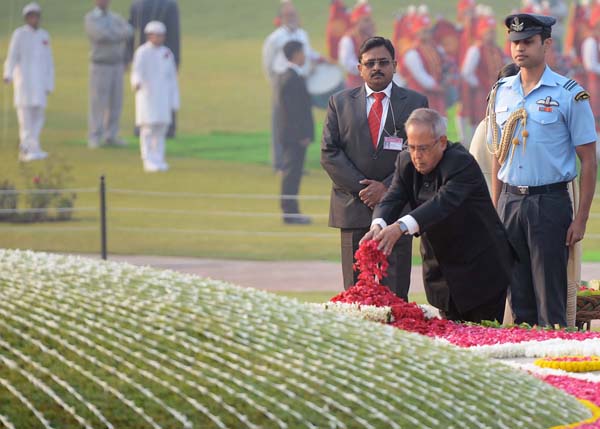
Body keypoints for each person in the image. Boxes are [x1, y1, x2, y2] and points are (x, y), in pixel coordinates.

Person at [488, 13, 597, 327]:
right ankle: (524, 365)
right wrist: (497, 207)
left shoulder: (569, 94)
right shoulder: (501, 92)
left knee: (550, 299)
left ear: (546, 44)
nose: (519, 48)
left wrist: (581, 218)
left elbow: (588, 160)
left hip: (548, 203)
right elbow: (499, 152)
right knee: (518, 296)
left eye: (528, 42)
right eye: (515, 42)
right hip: (510, 201)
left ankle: (553, 367)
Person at [361, 108, 515, 323]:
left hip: (481, 270)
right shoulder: (405, 162)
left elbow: (441, 204)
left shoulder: (461, 163)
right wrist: (378, 224)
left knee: (481, 338)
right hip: (441, 272)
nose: (416, 156)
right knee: (449, 339)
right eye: (411, 147)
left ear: (442, 142)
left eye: (423, 148)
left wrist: (399, 228)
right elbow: (393, 198)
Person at [321, 36, 428, 300]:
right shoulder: (340, 102)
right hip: (352, 208)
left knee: (395, 297)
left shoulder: (415, 103)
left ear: (395, 65)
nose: (376, 68)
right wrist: (365, 190)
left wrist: (387, 190)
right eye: (370, 63)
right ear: (359, 68)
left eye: (383, 62)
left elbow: (418, 153)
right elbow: (329, 152)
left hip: (396, 212)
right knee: (356, 297)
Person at [262, 1, 323, 173]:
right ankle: (279, 162)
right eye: (288, 15)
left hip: (300, 80)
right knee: (281, 121)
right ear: (280, 18)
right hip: (283, 82)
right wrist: (275, 83)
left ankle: (297, 164)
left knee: (301, 119)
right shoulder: (275, 38)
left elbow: (308, 53)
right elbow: (267, 63)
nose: (291, 18)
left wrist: (320, 59)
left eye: (293, 14)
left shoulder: (303, 34)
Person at [3, 2, 54, 162]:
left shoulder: (44, 36)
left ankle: (35, 147)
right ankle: (25, 150)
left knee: (38, 116)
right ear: (26, 18)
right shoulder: (19, 34)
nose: (34, 19)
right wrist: (8, 74)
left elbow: (49, 62)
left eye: (36, 16)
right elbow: (12, 56)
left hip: (40, 83)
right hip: (24, 83)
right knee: (25, 119)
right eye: (31, 16)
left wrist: (49, 83)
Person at [131, 21, 179, 172]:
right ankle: (148, 159)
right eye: (156, 35)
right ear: (149, 36)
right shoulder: (142, 52)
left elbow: (172, 77)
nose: (159, 38)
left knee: (161, 128)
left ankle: (159, 158)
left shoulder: (167, 53)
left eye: (161, 36)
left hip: (163, 96)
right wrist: (137, 82)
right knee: (148, 128)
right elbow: (136, 71)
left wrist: (174, 99)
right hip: (148, 96)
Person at [127, 0, 180, 138]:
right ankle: (144, 125)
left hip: (164, 57)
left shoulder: (168, 5)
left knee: (165, 91)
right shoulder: (139, 5)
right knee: (145, 93)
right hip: (146, 55)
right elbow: (132, 31)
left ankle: (165, 126)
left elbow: (174, 34)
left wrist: (175, 59)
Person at [275, 41, 314, 224]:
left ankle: (292, 211)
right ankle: (290, 213)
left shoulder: (292, 76)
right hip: (294, 137)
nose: (304, 56)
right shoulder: (291, 78)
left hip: (293, 135)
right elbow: (294, 111)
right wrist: (302, 135)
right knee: (292, 173)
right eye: (302, 52)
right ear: (296, 54)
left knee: (294, 173)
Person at [85, 0, 133, 149]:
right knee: (98, 102)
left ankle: (111, 135)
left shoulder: (115, 17)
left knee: (116, 102)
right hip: (100, 65)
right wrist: (117, 34)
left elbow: (129, 31)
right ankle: (94, 136)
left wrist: (112, 34)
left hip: (117, 64)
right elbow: (99, 35)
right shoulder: (91, 18)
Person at [458, 16, 507, 145]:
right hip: (482, 93)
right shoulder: (476, 49)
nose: (492, 35)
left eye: (493, 31)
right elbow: (467, 71)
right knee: (480, 121)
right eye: (489, 32)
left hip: (497, 93)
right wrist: (480, 85)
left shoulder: (496, 49)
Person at [400, 14, 446, 117]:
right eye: (424, 31)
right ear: (417, 32)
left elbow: (444, 65)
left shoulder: (435, 48)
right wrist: (437, 86)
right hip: (420, 95)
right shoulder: (412, 53)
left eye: (429, 31)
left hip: (435, 94)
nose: (428, 34)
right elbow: (421, 77)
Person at [338, 0, 375, 89]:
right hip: (355, 87)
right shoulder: (348, 39)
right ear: (357, 22)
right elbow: (346, 63)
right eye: (366, 20)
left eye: (370, 19)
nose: (370, 23)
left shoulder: (372, 38)